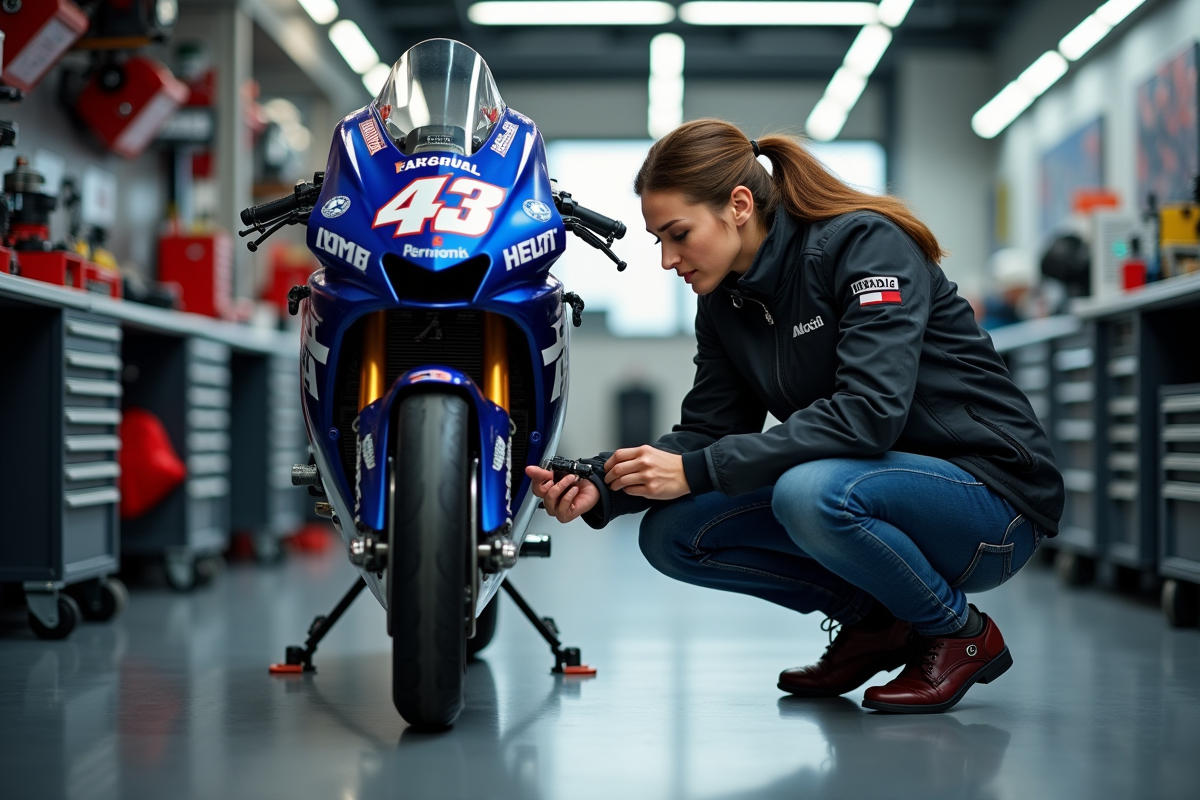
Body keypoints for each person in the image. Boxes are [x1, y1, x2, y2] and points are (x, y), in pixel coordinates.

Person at [525, 119, 1064, 714]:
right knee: (673, 534)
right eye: (658, 241)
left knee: (809, 492)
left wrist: (700, 469)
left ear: (738, 205)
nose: (666, 260)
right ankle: (878, 622)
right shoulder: (725, 301)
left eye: (678, 234)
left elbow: (868, 415)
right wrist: (606, 483)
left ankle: (959, 634)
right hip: (873, 487)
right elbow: (708, 432)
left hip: (989, 503)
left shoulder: (863, 245)